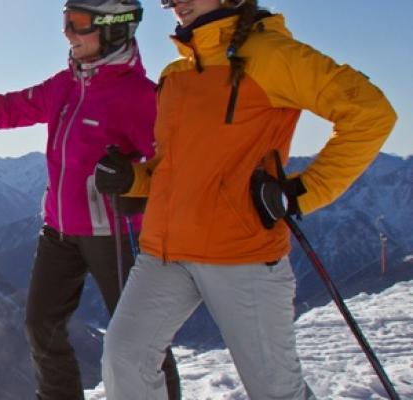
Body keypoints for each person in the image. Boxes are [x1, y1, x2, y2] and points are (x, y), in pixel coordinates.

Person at [96, 0, 397, 398]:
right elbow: (172, 167)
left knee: (275, 391)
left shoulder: (270, 55)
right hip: (165, 252)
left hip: (241, 254)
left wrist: (301, 192)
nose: (175, 4)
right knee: (124, 360)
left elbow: (371, 112)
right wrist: (132, 179)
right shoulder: (177, 74)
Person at [0, 1, 180, 398]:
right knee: (41, 327)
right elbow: (9, 110)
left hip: (115, 236)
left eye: (79, 23)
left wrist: (134, 180)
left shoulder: (140, 96)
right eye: (65, 21)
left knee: (142, 342)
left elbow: (171, 170)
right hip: (59, 230)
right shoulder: (63, 85)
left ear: (115, 28)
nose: (67, 32)